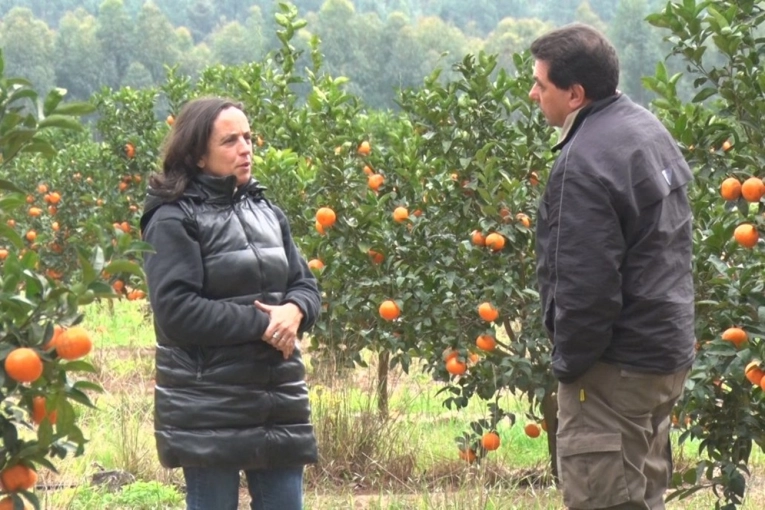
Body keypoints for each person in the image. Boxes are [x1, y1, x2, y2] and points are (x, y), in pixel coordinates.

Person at [529, 24, 695, 510]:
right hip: (660, 355)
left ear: (575, 94)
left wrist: (570, 367)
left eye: (541, 84)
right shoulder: (645, 129)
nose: (534, 93)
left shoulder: (583, 162)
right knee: (641, 495)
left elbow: (586, 286)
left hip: (613, 370)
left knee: (605, 498)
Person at [139, 97, 321, 510]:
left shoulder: (266, 211)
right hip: (209, 406)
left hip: (277, 399)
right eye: (230, 141)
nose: (245, 148)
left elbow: (305, 285)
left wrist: (295, 310)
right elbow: (177, 312)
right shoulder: (173, 218)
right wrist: (265, 324)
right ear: (197, 155)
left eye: (248, 137)